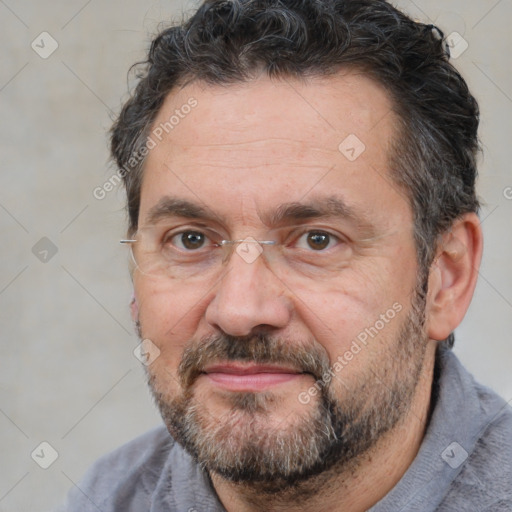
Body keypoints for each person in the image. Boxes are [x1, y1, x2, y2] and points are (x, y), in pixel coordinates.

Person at [60, 0, 512, 510]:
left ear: (446, 276)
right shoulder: (107, 498)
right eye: (191, 239)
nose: (239, 310)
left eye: (317, 239)